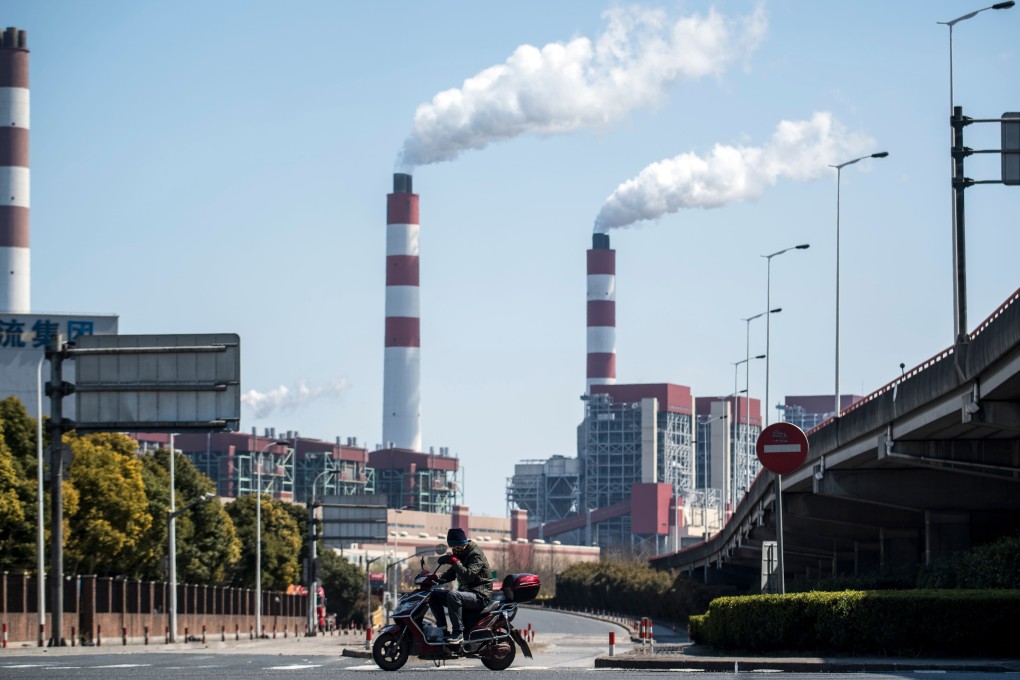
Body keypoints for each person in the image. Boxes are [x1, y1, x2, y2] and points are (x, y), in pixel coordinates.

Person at [428, 527, 492, 644]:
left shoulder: (475, 555)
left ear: (463, 543)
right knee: (434, 595)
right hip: (466, 595)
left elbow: (468, 575)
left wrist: (454, 561)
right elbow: (451, 574)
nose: (454, 549)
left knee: (453, 596)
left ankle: (458, 633)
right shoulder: (460, 553)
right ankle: (442, 630)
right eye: (452, 547)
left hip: (480, 595)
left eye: (456, 546)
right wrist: (435, 578)